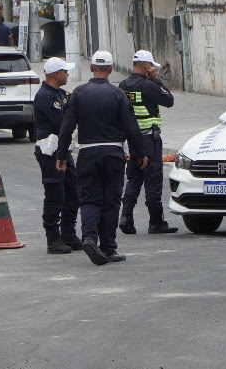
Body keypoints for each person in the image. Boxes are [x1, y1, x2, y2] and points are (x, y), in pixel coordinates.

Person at [56, 50, 147, 266]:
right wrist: (141, 153)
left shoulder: (77, 93)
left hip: (87, 153)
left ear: (91, 68)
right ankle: (108, 247)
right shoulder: (118, 95)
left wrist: (61, 155)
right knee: (111, 200)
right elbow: (131, 127)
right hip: (113, 153)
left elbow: (66, 127)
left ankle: (89, 238)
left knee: (89, 198)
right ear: (111, 69)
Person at [119, 50, 178, 235]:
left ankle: (125, 217)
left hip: (132, 140)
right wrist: (156, 80)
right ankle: (156, 221)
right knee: (153, 179)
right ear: (146, 66)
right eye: (152, 66)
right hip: (149, 140)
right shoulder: (148, 86)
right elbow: (169, 100)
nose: (153, 69)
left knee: (134, 178)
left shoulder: (123, 85)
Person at [33, 56, 80, 255]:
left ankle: (68, 234)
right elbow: (62, 123)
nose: (68, 74)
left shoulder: (61, 93)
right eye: (65, 71)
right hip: (49, 150)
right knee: (55, 194)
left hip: (62, 149)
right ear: (55, 74)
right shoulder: (45, 96)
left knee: (73, 192)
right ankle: (53, 239)